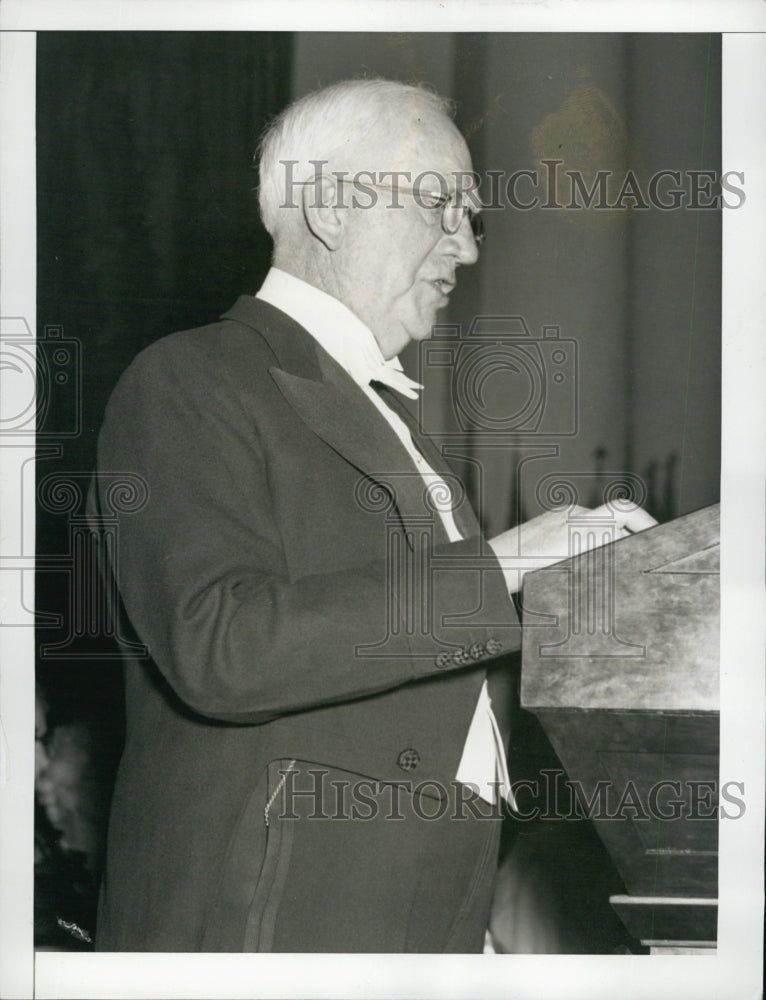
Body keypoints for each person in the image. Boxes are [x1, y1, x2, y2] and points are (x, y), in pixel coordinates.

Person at [91, 78, 654, 953]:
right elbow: (222, 644)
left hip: (421, 910)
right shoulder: (192, 378)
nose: (464, 248)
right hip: (270, 917)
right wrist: (505, 566)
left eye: (472, 217)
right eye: (441, 205)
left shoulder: (390, 420)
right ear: (329, 206)